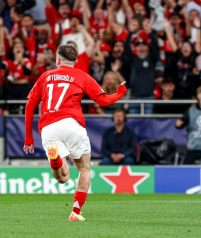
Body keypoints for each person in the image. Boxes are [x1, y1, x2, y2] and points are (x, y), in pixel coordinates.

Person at [23, 45, 127, 221]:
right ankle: (75, 212)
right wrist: (119, 93)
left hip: (48, 126)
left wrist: (28, 137)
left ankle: (56, 161)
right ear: (75, 61)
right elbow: (103, 101)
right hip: (72, 124)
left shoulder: (46, 76)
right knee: (84, 169)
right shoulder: (81, 76)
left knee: (63, 178)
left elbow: (30, 106)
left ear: (57, 60)